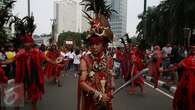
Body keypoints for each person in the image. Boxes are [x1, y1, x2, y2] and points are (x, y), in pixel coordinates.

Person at [78, 0, 115, 109]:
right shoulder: (85, 60)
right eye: (92, 44)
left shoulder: (109, 60)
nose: (94, 47)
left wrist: (111, 88)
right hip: (91, 101)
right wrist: (97, 94)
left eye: (97, 44)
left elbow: (111, 79)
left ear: (103, 44)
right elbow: (82, 82)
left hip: (106, 100)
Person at [162, 39, 195, 110]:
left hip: (187, 82)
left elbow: (176, 67)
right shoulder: (186, 59)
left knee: (182, 95)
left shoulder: (186, 59)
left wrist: (164, 70)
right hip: (188, 82)